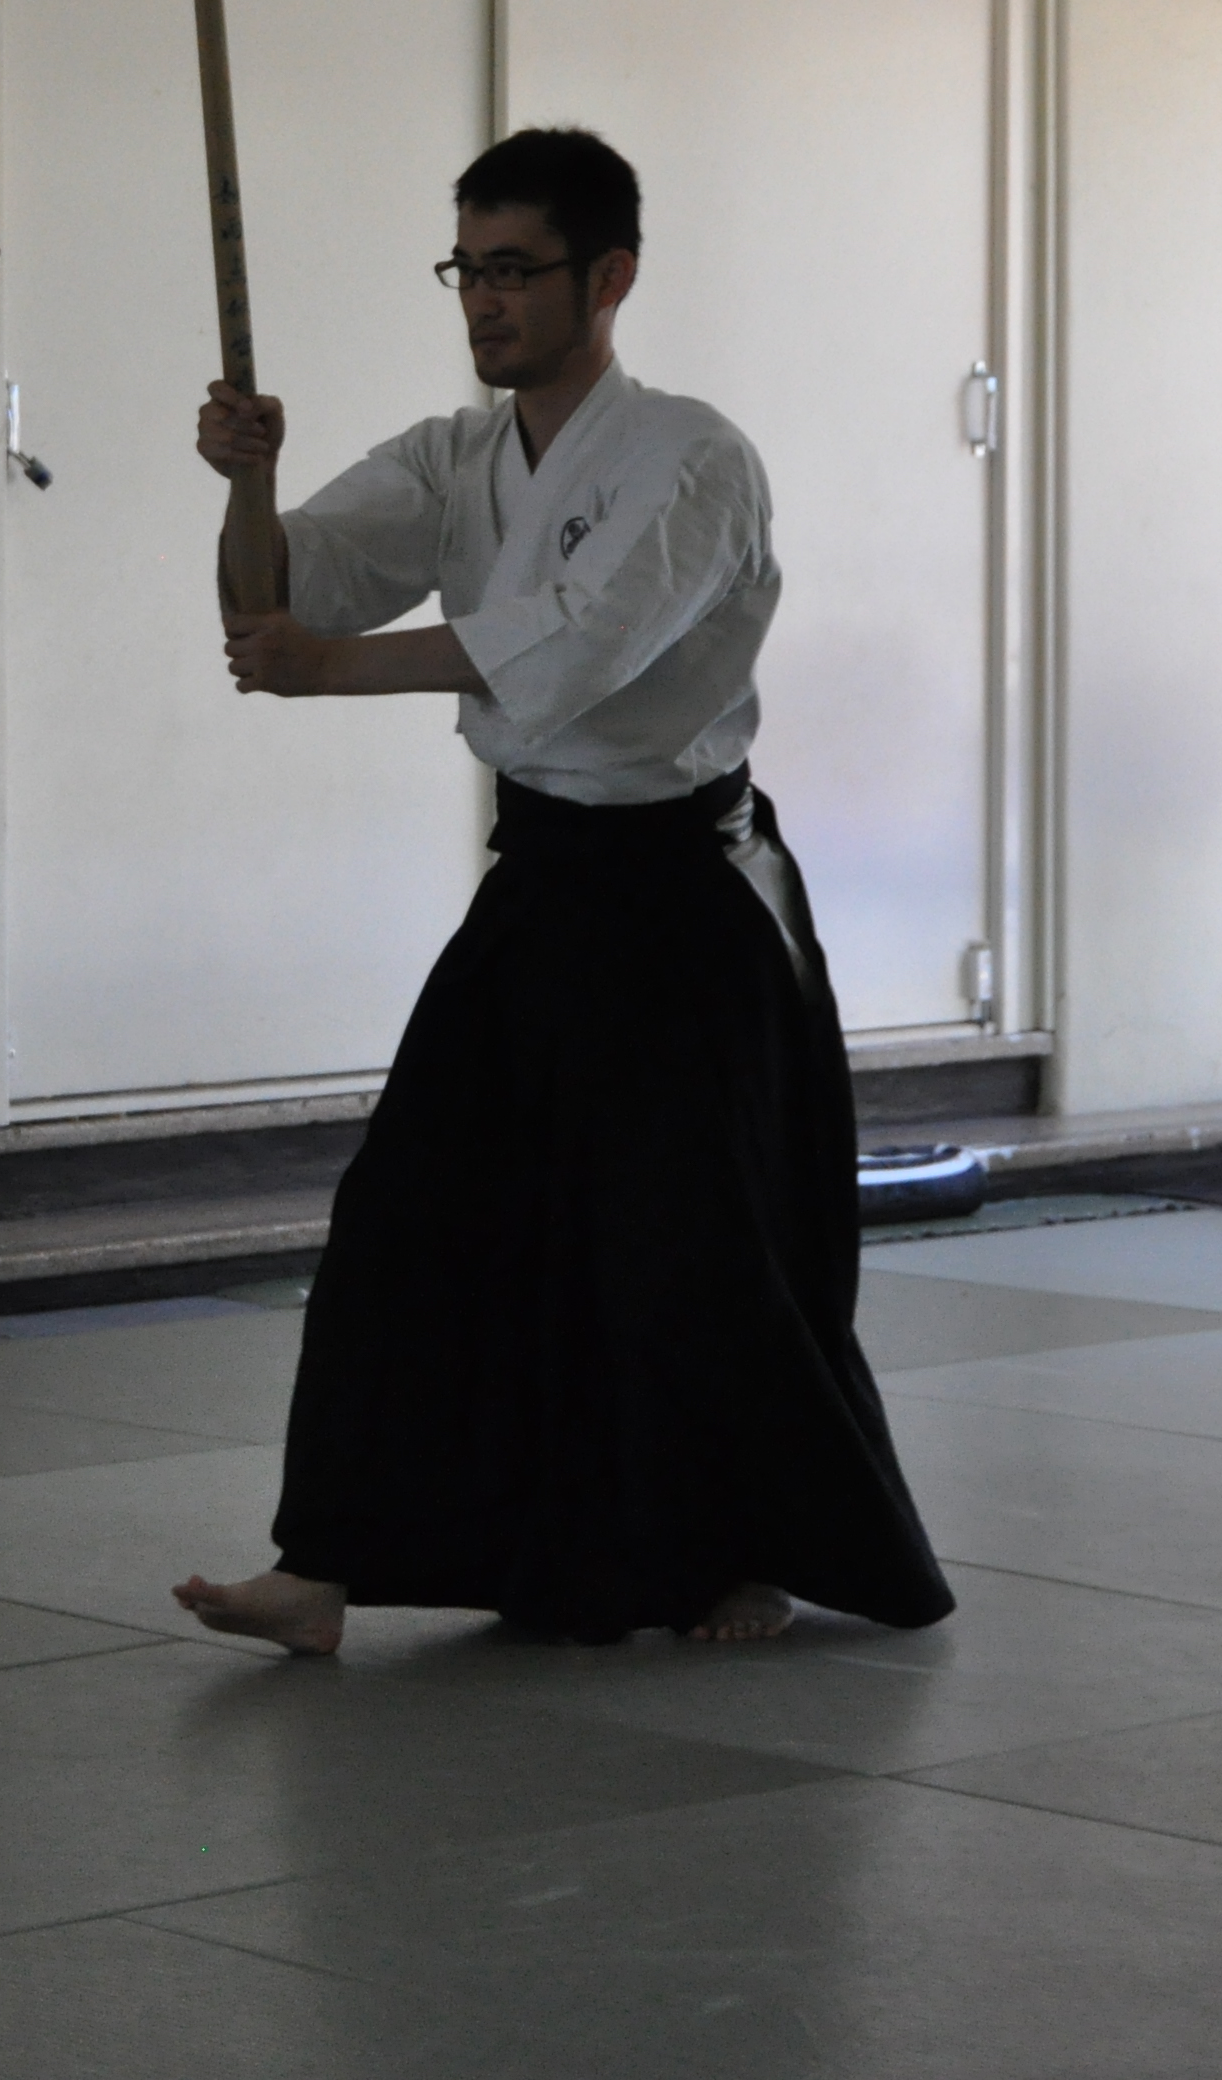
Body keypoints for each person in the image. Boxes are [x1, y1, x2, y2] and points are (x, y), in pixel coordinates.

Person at [169, 127, 950, 1656]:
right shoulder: (453, 459)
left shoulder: (694, 460)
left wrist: (331, 672)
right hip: (544, 879)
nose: (486, 300)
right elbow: (280, 591)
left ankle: (745, 1552)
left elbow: (582, 642)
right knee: (402, 1207)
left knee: (692, 1248)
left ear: (610, 278)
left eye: (517, 270)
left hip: (684, 892)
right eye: (468, 269)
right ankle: (325, 1565)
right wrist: (248, 488)